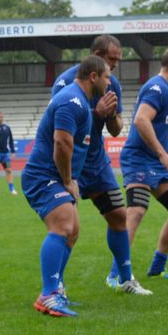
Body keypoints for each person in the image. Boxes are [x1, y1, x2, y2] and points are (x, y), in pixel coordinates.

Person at [52, 35, 150, 294]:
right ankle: (55, 285)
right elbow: (62, 127)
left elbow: (116, 130)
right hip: (71, 162)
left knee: (118, 215)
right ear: (95, 55)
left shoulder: (112, 84)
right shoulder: (64, 83)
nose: (115, 66)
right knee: (67, 227)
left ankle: (124, 279)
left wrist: (110, 116)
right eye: (111, 60)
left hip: (96, 161)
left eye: (118, 61)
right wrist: (96, 113)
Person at [23, 55, 111, 317]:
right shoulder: (71, 100)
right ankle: (48, 295)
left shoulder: (82, 102)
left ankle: (55, 290)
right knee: (62, 226)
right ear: (93, 76)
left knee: (72, 232)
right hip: (44, 175)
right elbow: (62, 143)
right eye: (107, 76)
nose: (110, 82)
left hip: (55, 176)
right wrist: (67, 180)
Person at [118, 47, 168, 281]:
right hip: (140, 159)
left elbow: (161, 129)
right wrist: (163, 154)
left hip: (156, 162)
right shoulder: (157, 87)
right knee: (135, 212)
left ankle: (157, 267)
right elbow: (141, 120)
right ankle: (118, 274)